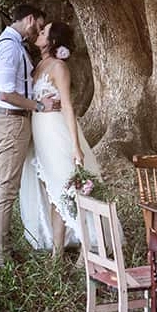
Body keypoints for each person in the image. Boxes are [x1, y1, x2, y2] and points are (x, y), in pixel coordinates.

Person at [19, 20, 100, 257]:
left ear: (52, 41)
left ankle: (87, 248)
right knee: (54, 193)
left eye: (43, 32)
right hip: (40, 133)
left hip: (56, 132)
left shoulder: (58, 67)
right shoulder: (39, 65)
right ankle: (57, 252)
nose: (38, 32)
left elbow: (67, 106)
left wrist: (76, 146)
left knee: (70, 191)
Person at [0, 2, 59, 267]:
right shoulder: (9, 46)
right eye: (39, 26)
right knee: (6, 190)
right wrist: (40, 105)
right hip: (12, 124)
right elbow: (4, 93)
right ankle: (0, 259)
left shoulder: (10, 44)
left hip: (14, 121)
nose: (38, 32)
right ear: (29, 19)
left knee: (13, 187)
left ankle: (7, 247)